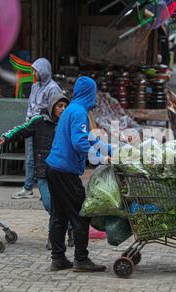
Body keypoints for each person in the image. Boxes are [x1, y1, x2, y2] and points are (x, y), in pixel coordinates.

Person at [46, 76, 112, 272]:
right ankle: (81, 260)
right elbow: (79, 143)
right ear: (89, 93)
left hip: (54, 169)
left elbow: (88, 138)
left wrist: (112, 150)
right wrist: (102, 159)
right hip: (65, 172)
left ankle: (58, 258)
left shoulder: (71, 109)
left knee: (59, 216)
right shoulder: (79, 112)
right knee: (81, 214)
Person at [0, 94, 73, 250]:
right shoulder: (38, 121)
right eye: (59, 106)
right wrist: (5, 137)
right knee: (49, 203)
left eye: (65, 106)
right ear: (52, 106)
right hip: (43, 171)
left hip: (62, 171)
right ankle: (69, 226)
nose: (63, 109)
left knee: (60, 204)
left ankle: (55, 236)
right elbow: (21, 130)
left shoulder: (68, 123)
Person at [12, 58, 62, 200]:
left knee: (44, 159)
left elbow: (56, 110)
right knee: (30, 159)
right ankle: (28, 187)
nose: (33, 73)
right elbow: (30, 105)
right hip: (32, 126)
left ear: (43, 71)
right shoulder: (35, 86)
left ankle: (46, 189)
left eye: (36, 70)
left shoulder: (53, 88)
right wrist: (28, 120)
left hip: (46, 129)